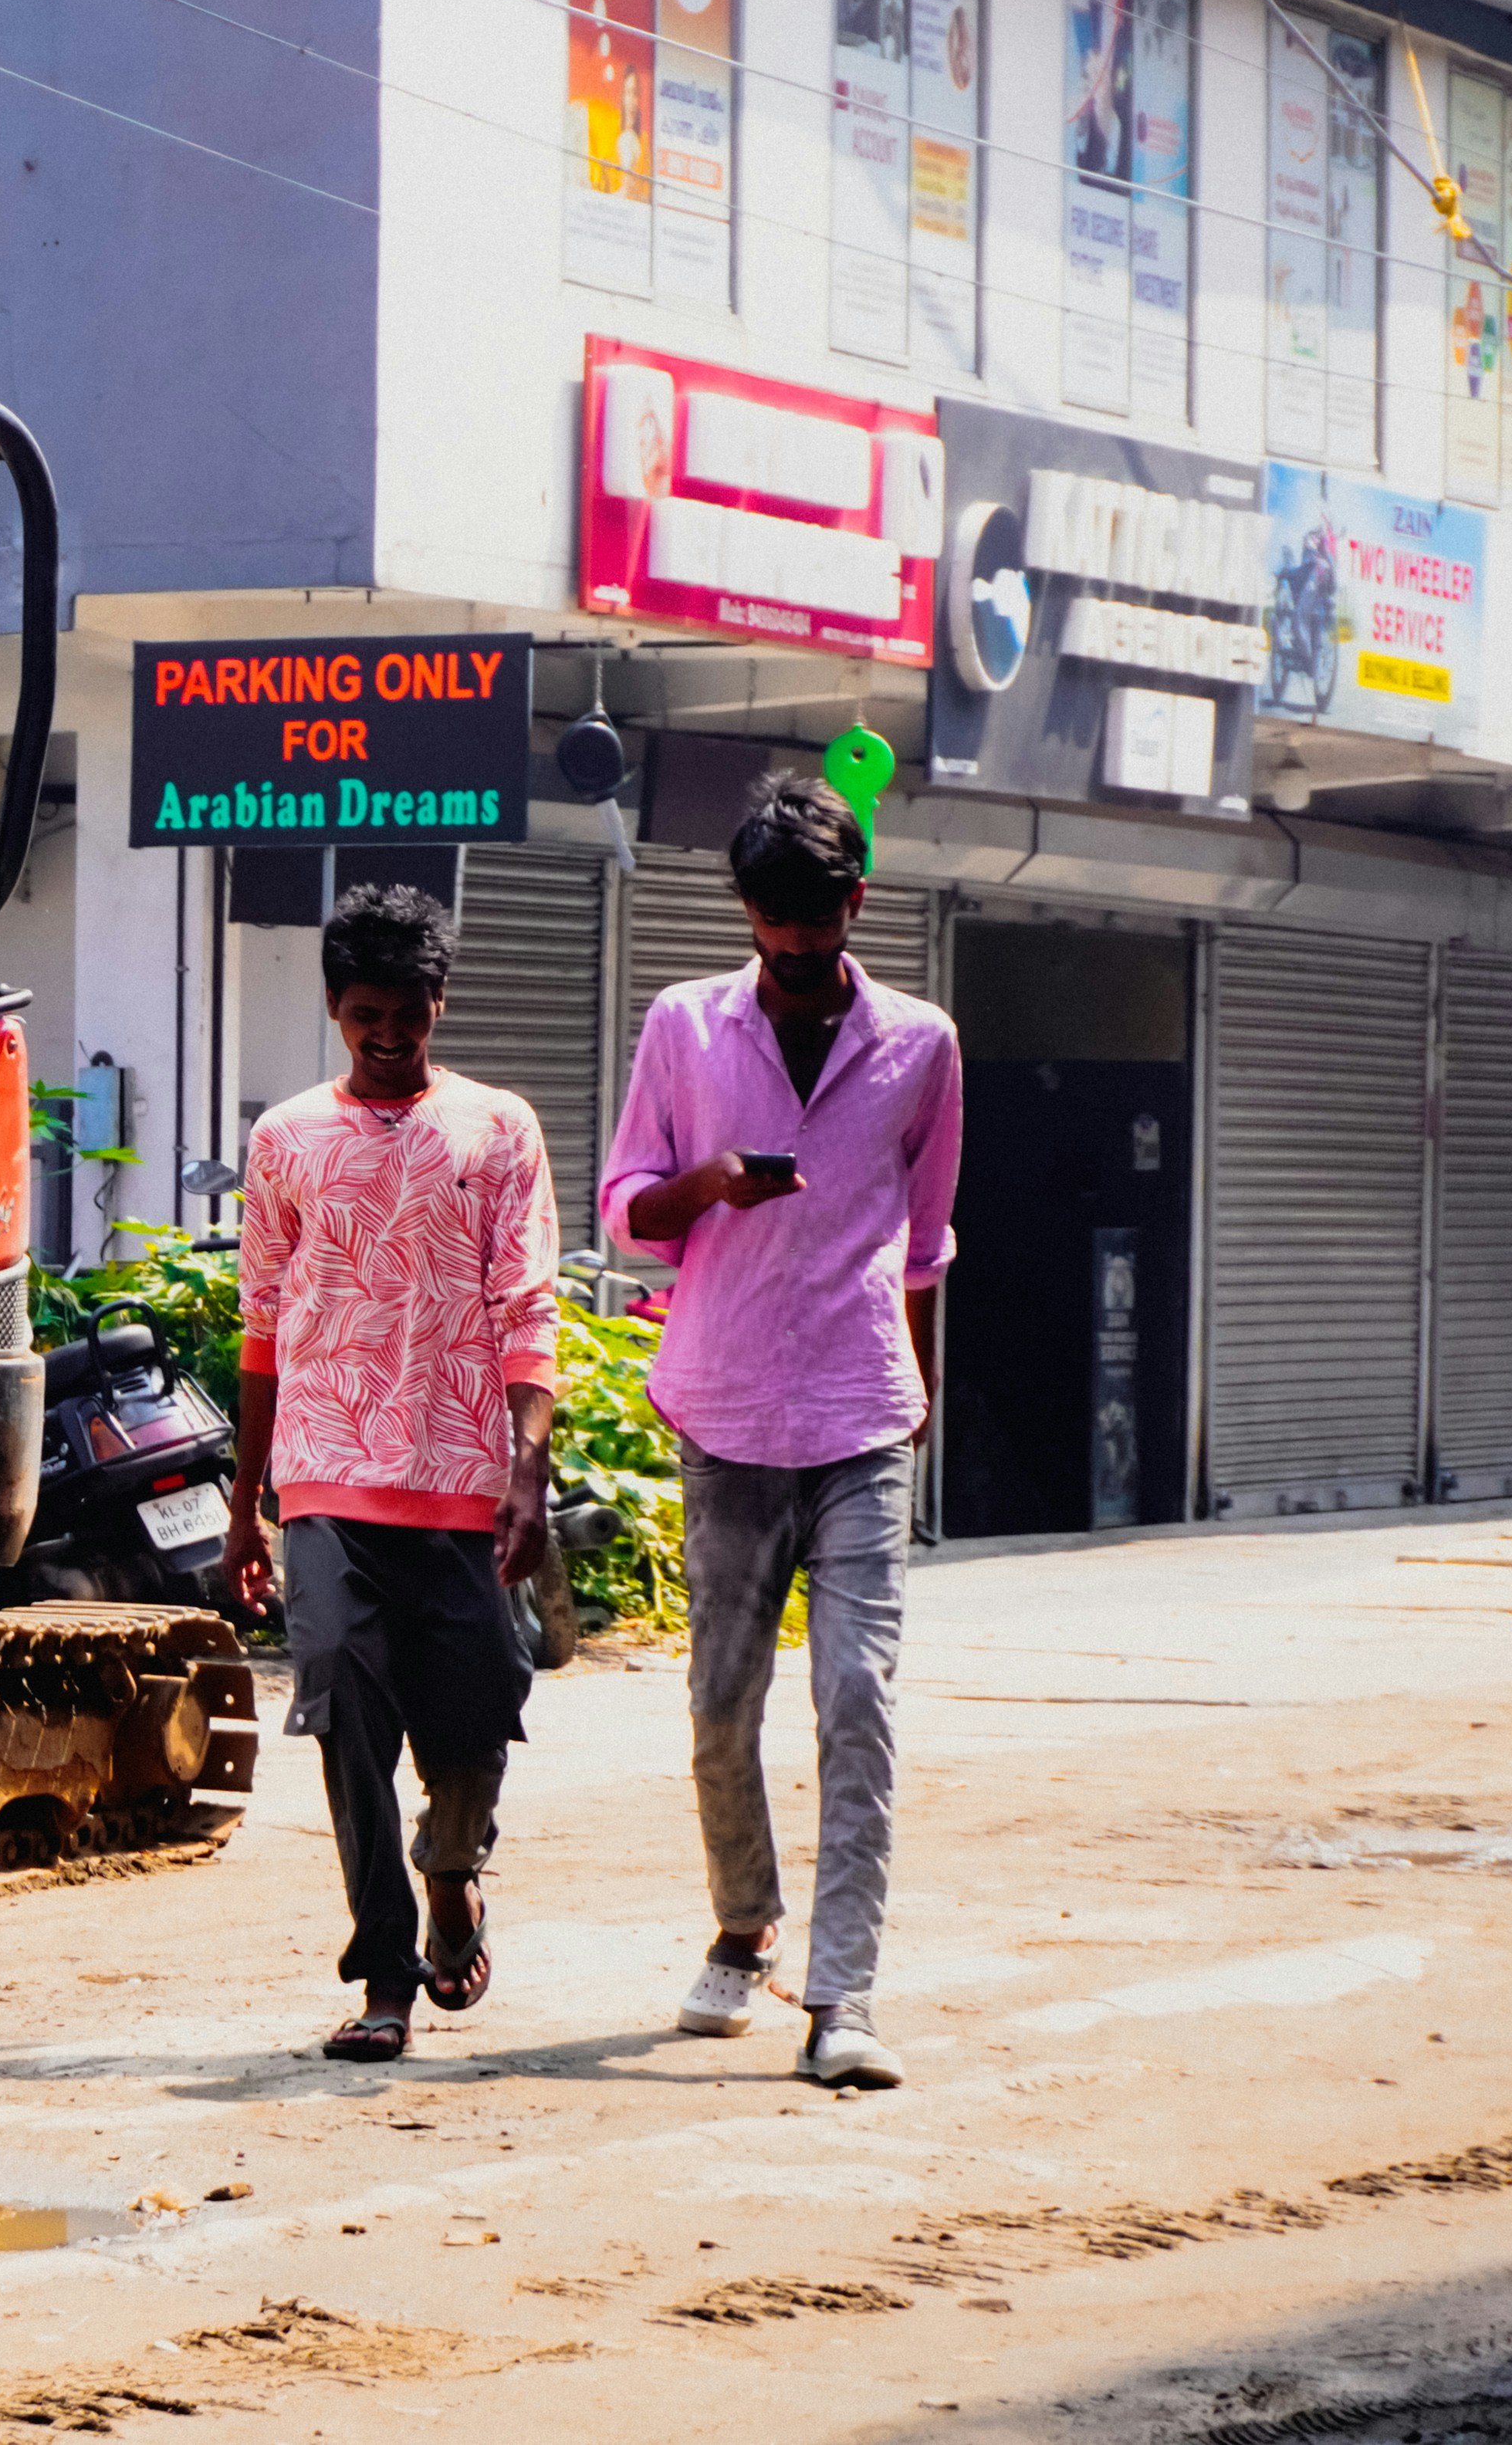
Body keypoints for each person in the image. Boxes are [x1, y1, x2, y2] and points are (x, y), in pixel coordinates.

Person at [598, 771, 962, 2092]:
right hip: (726, 1409)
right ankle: (741, 1924)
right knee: (719, 1702)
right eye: (773, 927)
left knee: (855, 1694)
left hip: (860, 1411)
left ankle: (841, 1995)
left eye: (816, 926)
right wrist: (711, 1182)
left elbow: (924, 1239)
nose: (796, 952)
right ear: (746, 911)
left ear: (855, 901)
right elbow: (626, 1205)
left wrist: (918, 1391)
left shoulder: (921, 1043)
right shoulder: (682, 1025)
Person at [222, 883, 560, 2065]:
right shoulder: (286, 1138)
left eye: (406, 1011)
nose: (386, 1033)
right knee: (339, 1695)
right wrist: (245, 1511)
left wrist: (527, 1467)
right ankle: (382, 1971)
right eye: (365, 1012)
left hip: (462, 1472)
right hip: (325, 1469)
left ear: (437, 1002)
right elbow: (261, 1323)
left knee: (475, 1710)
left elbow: (527, 1304)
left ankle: (451, 1871)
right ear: (334, 1006)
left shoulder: (497, 1127)